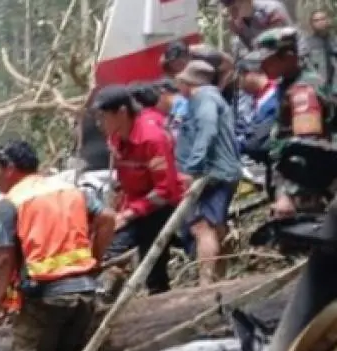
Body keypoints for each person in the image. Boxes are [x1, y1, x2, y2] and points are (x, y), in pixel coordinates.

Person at [0, 140, 116, 351]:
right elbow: (107, 218)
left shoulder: (13, 202)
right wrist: (94, 260)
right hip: (84, 291)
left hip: (45, 295)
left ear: (10, 168)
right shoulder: (71, 190)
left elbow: (3, 258)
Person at [93, 84, 184, 295]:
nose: (100, 123)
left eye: (104, 116)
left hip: (160, 205)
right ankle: (107, 295)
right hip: (135, 203)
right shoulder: (115, 138)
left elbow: (165, 190)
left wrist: (130, 213)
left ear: (122, 112)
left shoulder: (151, 138)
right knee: (110, 249)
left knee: (151, 262)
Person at [254, 27, 334, 217]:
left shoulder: (303, 90)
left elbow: (305, 150)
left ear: (289, 57)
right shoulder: (287, 84)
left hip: (307, 191)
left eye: (269, 60)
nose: (263, 65)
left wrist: (287, 194)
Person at [175, 61, 243, 285]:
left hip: (212, 174)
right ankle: (219, 277)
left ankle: (206, 281)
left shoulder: (204, 98)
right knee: (215, 225)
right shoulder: (210, 98)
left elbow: (207, 128)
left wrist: (193, 166)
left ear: (188, 83)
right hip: (218, 172)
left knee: (202, 226)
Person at [236, 55, 280, 156]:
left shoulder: (274, 96)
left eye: (240, 78)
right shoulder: (256, 98)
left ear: (249, 74)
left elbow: (256, 140)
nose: (239, 85)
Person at [220, 0, 294, 55]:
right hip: (263, 62)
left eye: (235, 8)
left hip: (286, 55)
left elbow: (284, 42)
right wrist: (239, 34)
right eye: (229, 9)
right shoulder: (239, 22)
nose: (232, 13)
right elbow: (249, 49)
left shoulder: (271, 10)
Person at [306, 9, 337, 94]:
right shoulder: (307, 44)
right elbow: (306, 68)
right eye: (316, 20)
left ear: (328, 21)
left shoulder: (334, 41)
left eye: (323, 19)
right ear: (312, 24)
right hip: (319, 90)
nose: (320, 22)